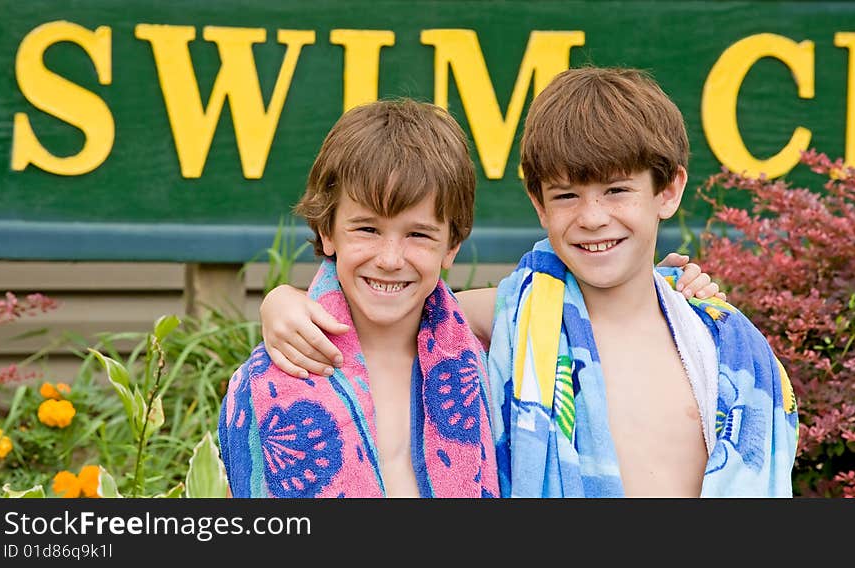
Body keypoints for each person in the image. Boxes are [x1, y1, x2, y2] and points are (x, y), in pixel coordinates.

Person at [257, 67, 793, 497]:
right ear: (538, 204)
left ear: (668, 191)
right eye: (566, 196)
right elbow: (394, 308)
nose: (592, 218)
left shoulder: (715, 345)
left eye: (616, 191)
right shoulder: (512, 313)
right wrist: (282, 302)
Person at [218, 99, 499, 497]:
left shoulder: (485, 359)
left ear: (451, 244)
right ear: (328, 232)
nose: (389, 259)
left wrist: (278, 297)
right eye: (367, 229)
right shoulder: (273, 378)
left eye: (418, 234)